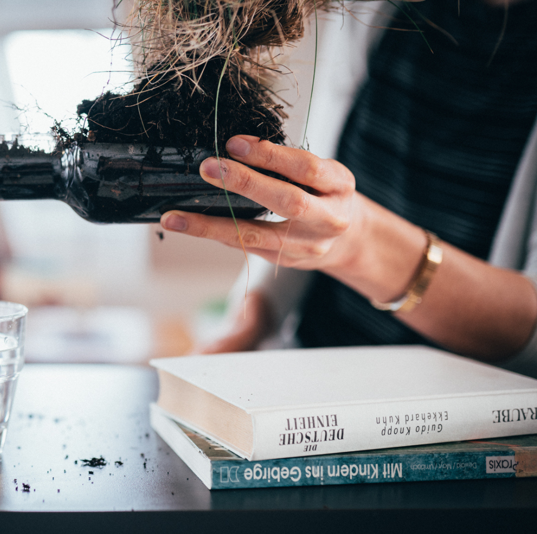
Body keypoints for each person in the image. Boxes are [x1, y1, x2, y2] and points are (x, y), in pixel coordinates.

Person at [158, 0, 537, 376]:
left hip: (458, 408)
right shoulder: (372, 10)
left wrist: (356, 243)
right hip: (316, 372)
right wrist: (248, 322)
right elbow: (321, 182)